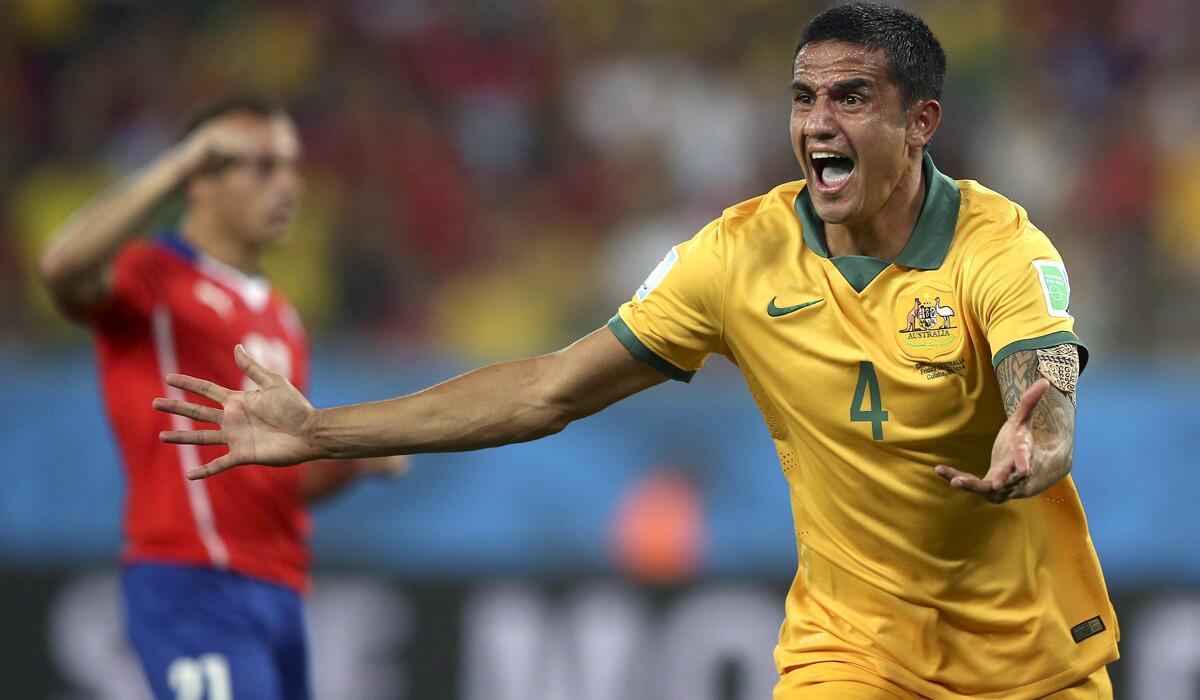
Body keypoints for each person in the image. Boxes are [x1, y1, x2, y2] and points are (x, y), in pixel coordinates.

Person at [153, 5, 1117, 698]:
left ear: (921, 123)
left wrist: (1040, 443)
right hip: (852, 653)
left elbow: (1047, 377)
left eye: (853, 98)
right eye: (804, 98)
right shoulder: (738, 256)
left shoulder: (1001, 246)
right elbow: (548, 390)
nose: (819, 122)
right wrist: (321, 431)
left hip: (1032, 664)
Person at [40, 98, 405, 700]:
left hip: (279, 588)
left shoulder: (280, 315)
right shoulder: (150, 277)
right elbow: (60, 268)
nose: (288, 184)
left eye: (290, 165)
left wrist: (356, 461)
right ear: (201, 182)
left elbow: (277, 476)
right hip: (191, 580)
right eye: (261, 167)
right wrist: (177, 162)